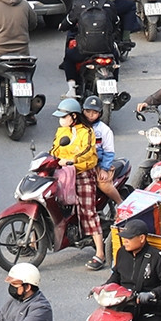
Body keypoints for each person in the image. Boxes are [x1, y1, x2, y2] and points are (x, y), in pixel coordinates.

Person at [50, 101, 106, 267]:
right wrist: (53, 159)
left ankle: (100, 254)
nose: (61, 120)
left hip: (82, 174)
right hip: (63, 173)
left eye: (64, 116)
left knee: (88, 212)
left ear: (74, 116)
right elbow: (54, 149)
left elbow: (88, 151)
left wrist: (71, 160)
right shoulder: (62, 131)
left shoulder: (87, 132)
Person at [63, 0, 125, 89]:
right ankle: (114, 85)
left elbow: (67, 24)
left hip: (83, 51)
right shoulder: (109, 5)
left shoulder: (79, 5)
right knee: (115, 60)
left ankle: (72, 88)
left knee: (68, 59)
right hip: (107, 49)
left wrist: (61, 26)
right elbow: (116, 24)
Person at [80, 95, 123, 206]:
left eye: (94, 112)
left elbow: (109, 152)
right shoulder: (78, 127)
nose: (90, 115)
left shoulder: (104, 130)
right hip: (81, 163)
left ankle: (120, 204)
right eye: (88, 111)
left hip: (99, 164)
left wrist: (104, 169)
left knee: (103, 183)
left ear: (100, 114)